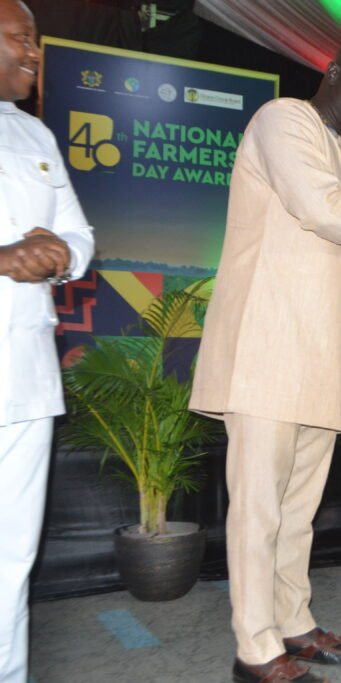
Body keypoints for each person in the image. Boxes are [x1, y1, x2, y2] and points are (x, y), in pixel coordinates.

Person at [189, 41, 341, 683]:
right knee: (260, 508)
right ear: (333, 75)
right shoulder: (284, 120)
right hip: (264, 353)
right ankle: (256, 648)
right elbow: (321, 209)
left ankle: (293, 621)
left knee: (298, 513)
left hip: (314, 365)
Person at [0, 2, 95, 681]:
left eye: (33, 37)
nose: (34, 50)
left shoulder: (35, 135)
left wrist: (58, 251)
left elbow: (81, 235)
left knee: (11, 557)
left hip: (27, 376)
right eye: (19, 37)